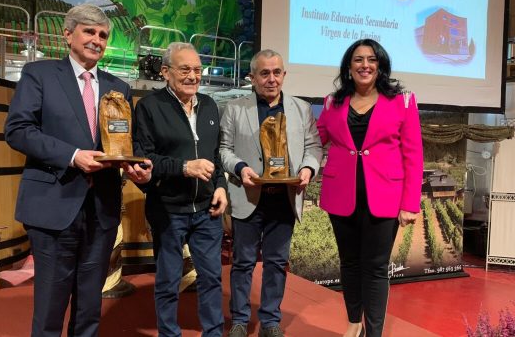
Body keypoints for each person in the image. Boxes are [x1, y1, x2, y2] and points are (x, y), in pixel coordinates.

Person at [4, 4, 152, 337]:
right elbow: (17, 130)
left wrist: (135, 168)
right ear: (68, 34)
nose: (97, 40)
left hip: (101, 208)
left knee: (90, 306)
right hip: (53, 204)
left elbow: (123, 143)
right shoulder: (39, 74)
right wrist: (72, 156)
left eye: (103, 35)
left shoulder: (119, 87)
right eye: (89, 31)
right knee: (51, 307)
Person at [316, 39, 423, 337]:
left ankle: (373, 333)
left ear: (380, 65)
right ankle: (354, 325)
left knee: (375, 268)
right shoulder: (332, 103)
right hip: (342, 196)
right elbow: (316, 139)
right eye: (358, 60)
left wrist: (410, 204)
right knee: (349, 263)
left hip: (385, 198)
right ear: (348, 67)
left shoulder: (403, 101)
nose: (365, 65)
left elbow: (413, 154)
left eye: (371, 60)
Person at [219, 49, 323, 337]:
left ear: (284, 75)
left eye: (277, 72)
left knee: (277, 263)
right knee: (242, 263)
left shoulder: (301, 109)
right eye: (264, 73)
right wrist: (239, 167)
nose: (271, 79)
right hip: (248, 197)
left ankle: (270, 321)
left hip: (285, 200)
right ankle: (240, 320)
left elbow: (314, 147)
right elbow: (223, 150)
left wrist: (307, 169)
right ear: (252, 77)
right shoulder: (235, 108)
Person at [133, 42, 228, 337]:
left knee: (212, 278)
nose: (193, 76)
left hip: (207, 211)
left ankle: (213, 333)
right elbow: (144, 157)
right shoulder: (150, 107)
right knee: (168, 281)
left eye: (198, 69)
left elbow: (216, 156)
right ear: (165, 72)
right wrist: (184, 167)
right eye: (185, 69)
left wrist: (221, 187)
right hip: (168, 209)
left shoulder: (210, 105)